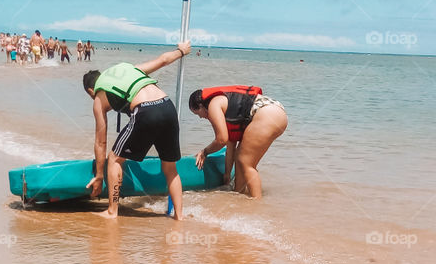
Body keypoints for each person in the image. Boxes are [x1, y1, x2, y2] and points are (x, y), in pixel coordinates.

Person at [83, 42, 190, 219]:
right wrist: (181, 51)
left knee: (115, 158)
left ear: (90, 90)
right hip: (168, 107)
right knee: (170, 168)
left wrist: (100, 175)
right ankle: (179, 217)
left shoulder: (98, 95)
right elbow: (163, 60)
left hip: (145, 111)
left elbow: (100, 141)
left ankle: (112, 211)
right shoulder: (127, 69)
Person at [188, 85, 287, 198]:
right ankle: (239, 194)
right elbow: (230, 145)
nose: (200, 117)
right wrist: (227, 174)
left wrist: (204, 152)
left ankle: (256, 203)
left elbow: (221, 139)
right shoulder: (226, 106)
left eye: (197, 113)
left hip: (266, 113)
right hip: (276, 112)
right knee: (241, 157)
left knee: (246, 163)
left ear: (201, 105)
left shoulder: (213, 105)